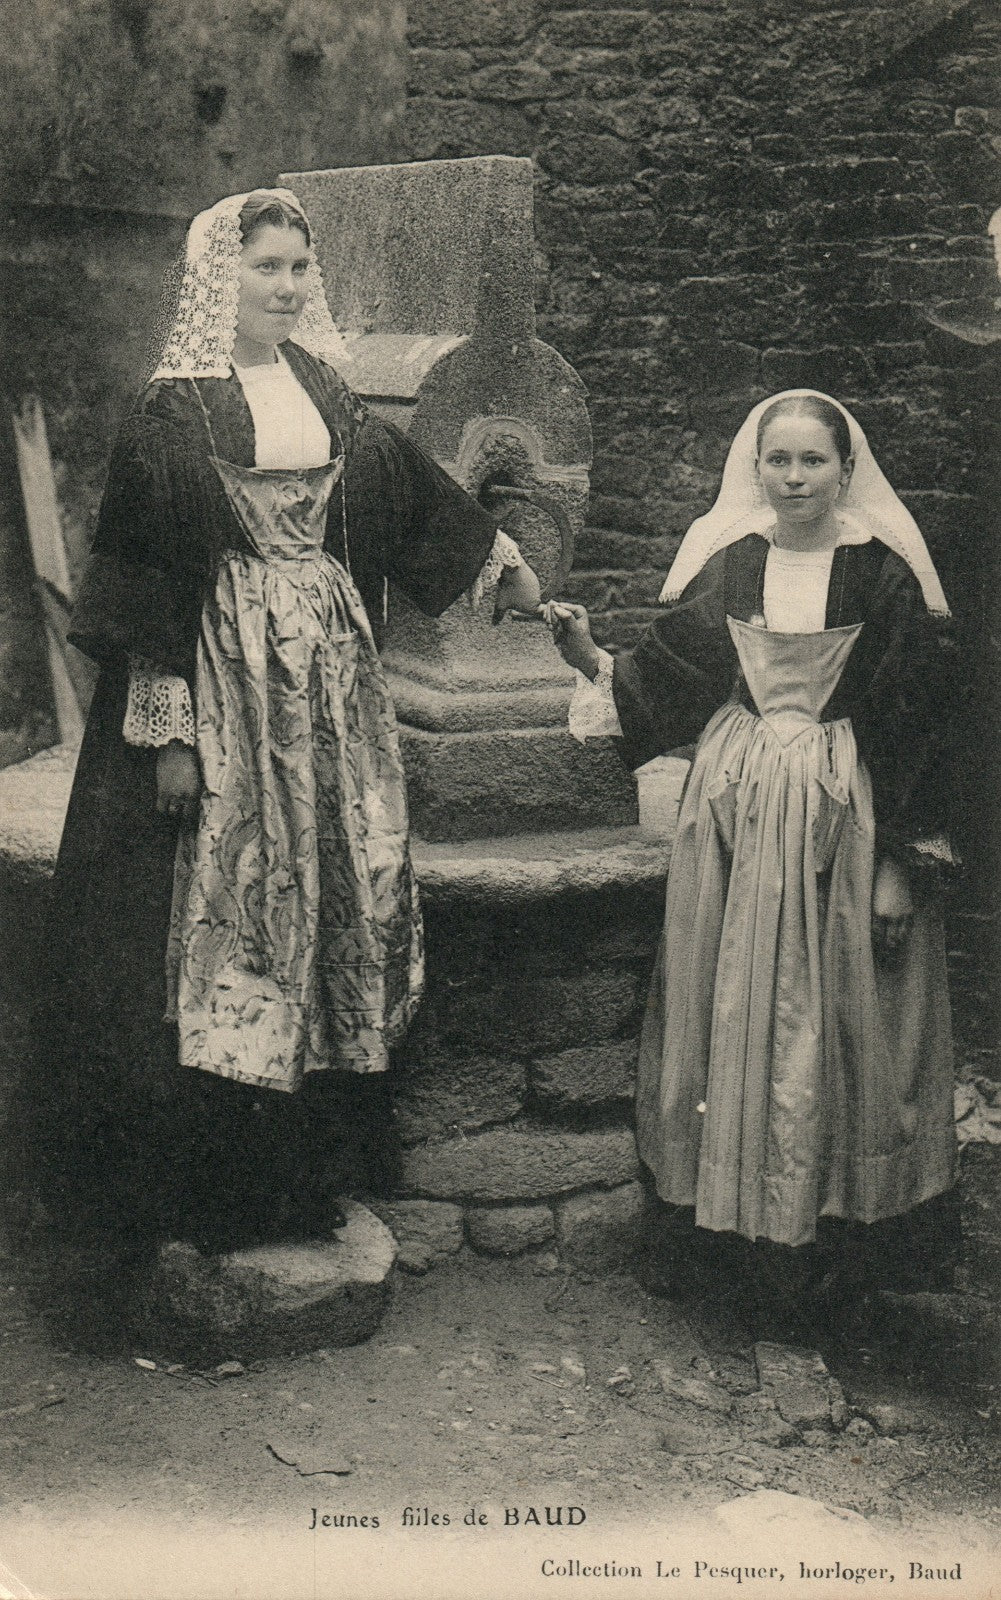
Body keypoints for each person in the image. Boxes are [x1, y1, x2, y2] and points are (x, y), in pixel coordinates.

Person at [40, 188, 540, 1262]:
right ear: (221, 279)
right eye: (264, 267)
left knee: (318, 891)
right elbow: (146, 570)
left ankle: (301, 1172)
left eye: (298, 268)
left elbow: (404, 489)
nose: (285, 286)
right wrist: (170, 732)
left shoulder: (323, 386)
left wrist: (498, 562)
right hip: (222, 682)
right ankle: (209, 1191)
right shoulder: (172, 410)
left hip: (322, 687)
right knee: (223, 911)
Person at [547, 390, 961, 1328]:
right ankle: (728, 1247)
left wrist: (901, 863)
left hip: (846, 826)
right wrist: (584, 655)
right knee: (726, 1011)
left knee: (841, 1023)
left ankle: (828, 1260)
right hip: (733, 833)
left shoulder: (882, 577)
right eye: (778, 461)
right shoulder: (731, 564)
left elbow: (918, 724)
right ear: (755, 469)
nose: (795, 478)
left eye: (813, 461)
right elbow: (662, 681)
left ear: (845, 472)